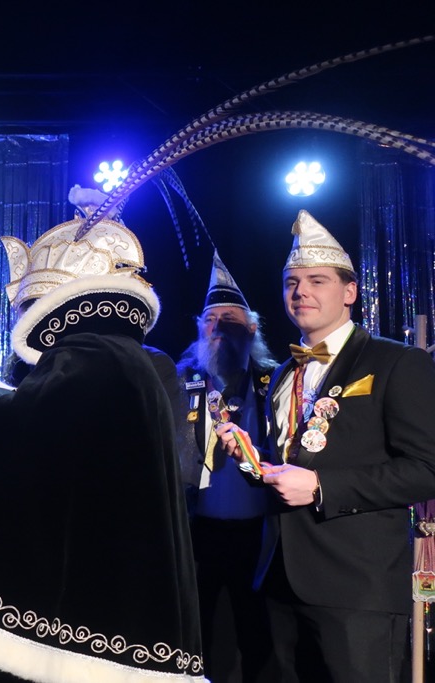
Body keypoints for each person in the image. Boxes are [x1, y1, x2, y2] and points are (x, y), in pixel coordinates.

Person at [0, 187, 204, 682]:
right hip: (117, 596)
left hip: (85, 602)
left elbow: (29, 432)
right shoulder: (123, 357)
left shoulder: (90, 355)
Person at [216, 209, 435, 682]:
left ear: (350, 292)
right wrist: (253, 461)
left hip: (357, 585)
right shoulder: (283, 373)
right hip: (278, 578)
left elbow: (427, 469)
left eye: (318, 281)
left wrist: (321, 486)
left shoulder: (397, 362)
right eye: (292, 283)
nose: (301, 292)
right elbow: (291, 467)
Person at [174, 251, 277, 682]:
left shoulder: (275, 380)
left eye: (230, 320)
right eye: (210, 320)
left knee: (259, 634)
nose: (217, 328)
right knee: (194, 631)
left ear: (252, 328)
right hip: (197, 529)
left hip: (260, 533)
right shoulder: (180, 381)